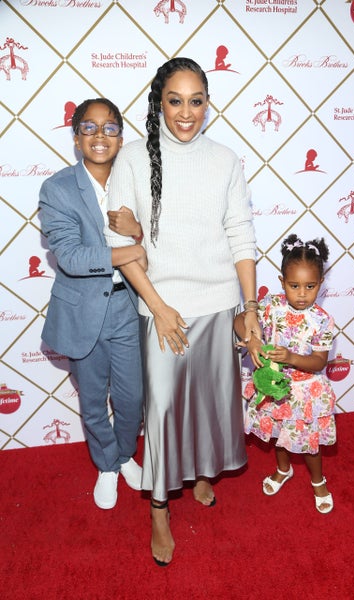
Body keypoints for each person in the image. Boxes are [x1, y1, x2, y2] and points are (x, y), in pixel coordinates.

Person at [104, 57, 260, 566]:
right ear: (159, 103)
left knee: (209, 404)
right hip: (162, 308)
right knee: (164, 410)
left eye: (196, 101)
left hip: (218, 304)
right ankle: (158, 509)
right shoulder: (132, 158)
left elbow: (240, 235)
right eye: (175, 101)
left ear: (208, 104)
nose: (186, 113)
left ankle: (198, 475)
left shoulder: (226, 160)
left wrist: (250, 307)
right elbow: (119, 245)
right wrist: (158, 307)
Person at [39, 98, 146, 510]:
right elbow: (70, 256)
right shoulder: (58, 188)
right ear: (76, 136)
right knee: (92, 399)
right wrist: (128, 250)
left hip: (127, 306)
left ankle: (125, 454)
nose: (100, 135)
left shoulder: (136, 180)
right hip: (82, 311)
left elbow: (161, 239)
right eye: (89, 127)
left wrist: (138, 233)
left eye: (109, 127)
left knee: (132, 397)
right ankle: (107, 465)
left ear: (120, 136)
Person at [234, 233, 336, 514]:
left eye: (310, 286)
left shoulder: (322, 321)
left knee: (309, 444)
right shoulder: (271, 305)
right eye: (294, 286)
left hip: (305, 393)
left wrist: (291, 357)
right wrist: (251, 340)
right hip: (275, 388)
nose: (302, 293)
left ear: (321, 283)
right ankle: (283, 469)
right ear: (282, 282)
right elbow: (239, 320)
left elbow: (319, 362)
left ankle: (318, 481)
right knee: (279, 434)